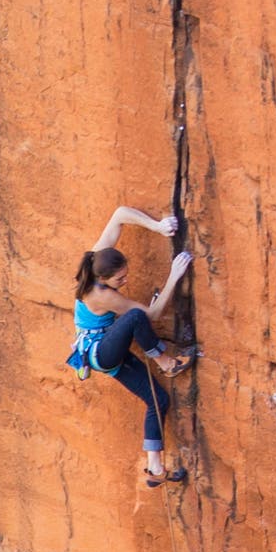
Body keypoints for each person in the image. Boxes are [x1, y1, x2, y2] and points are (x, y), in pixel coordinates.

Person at [71, 205, 197, 485]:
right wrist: (173, 278)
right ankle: (165, 362)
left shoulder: (96, 260)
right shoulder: (100, 294)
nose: (125, 281)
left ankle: (155, 469)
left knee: (157, 400)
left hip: (105, 349)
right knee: (136, 315)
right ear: (104, 280)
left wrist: (158, 227)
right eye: (120, 279)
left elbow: (118, 215)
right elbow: (149, 315)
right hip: (101, 353)